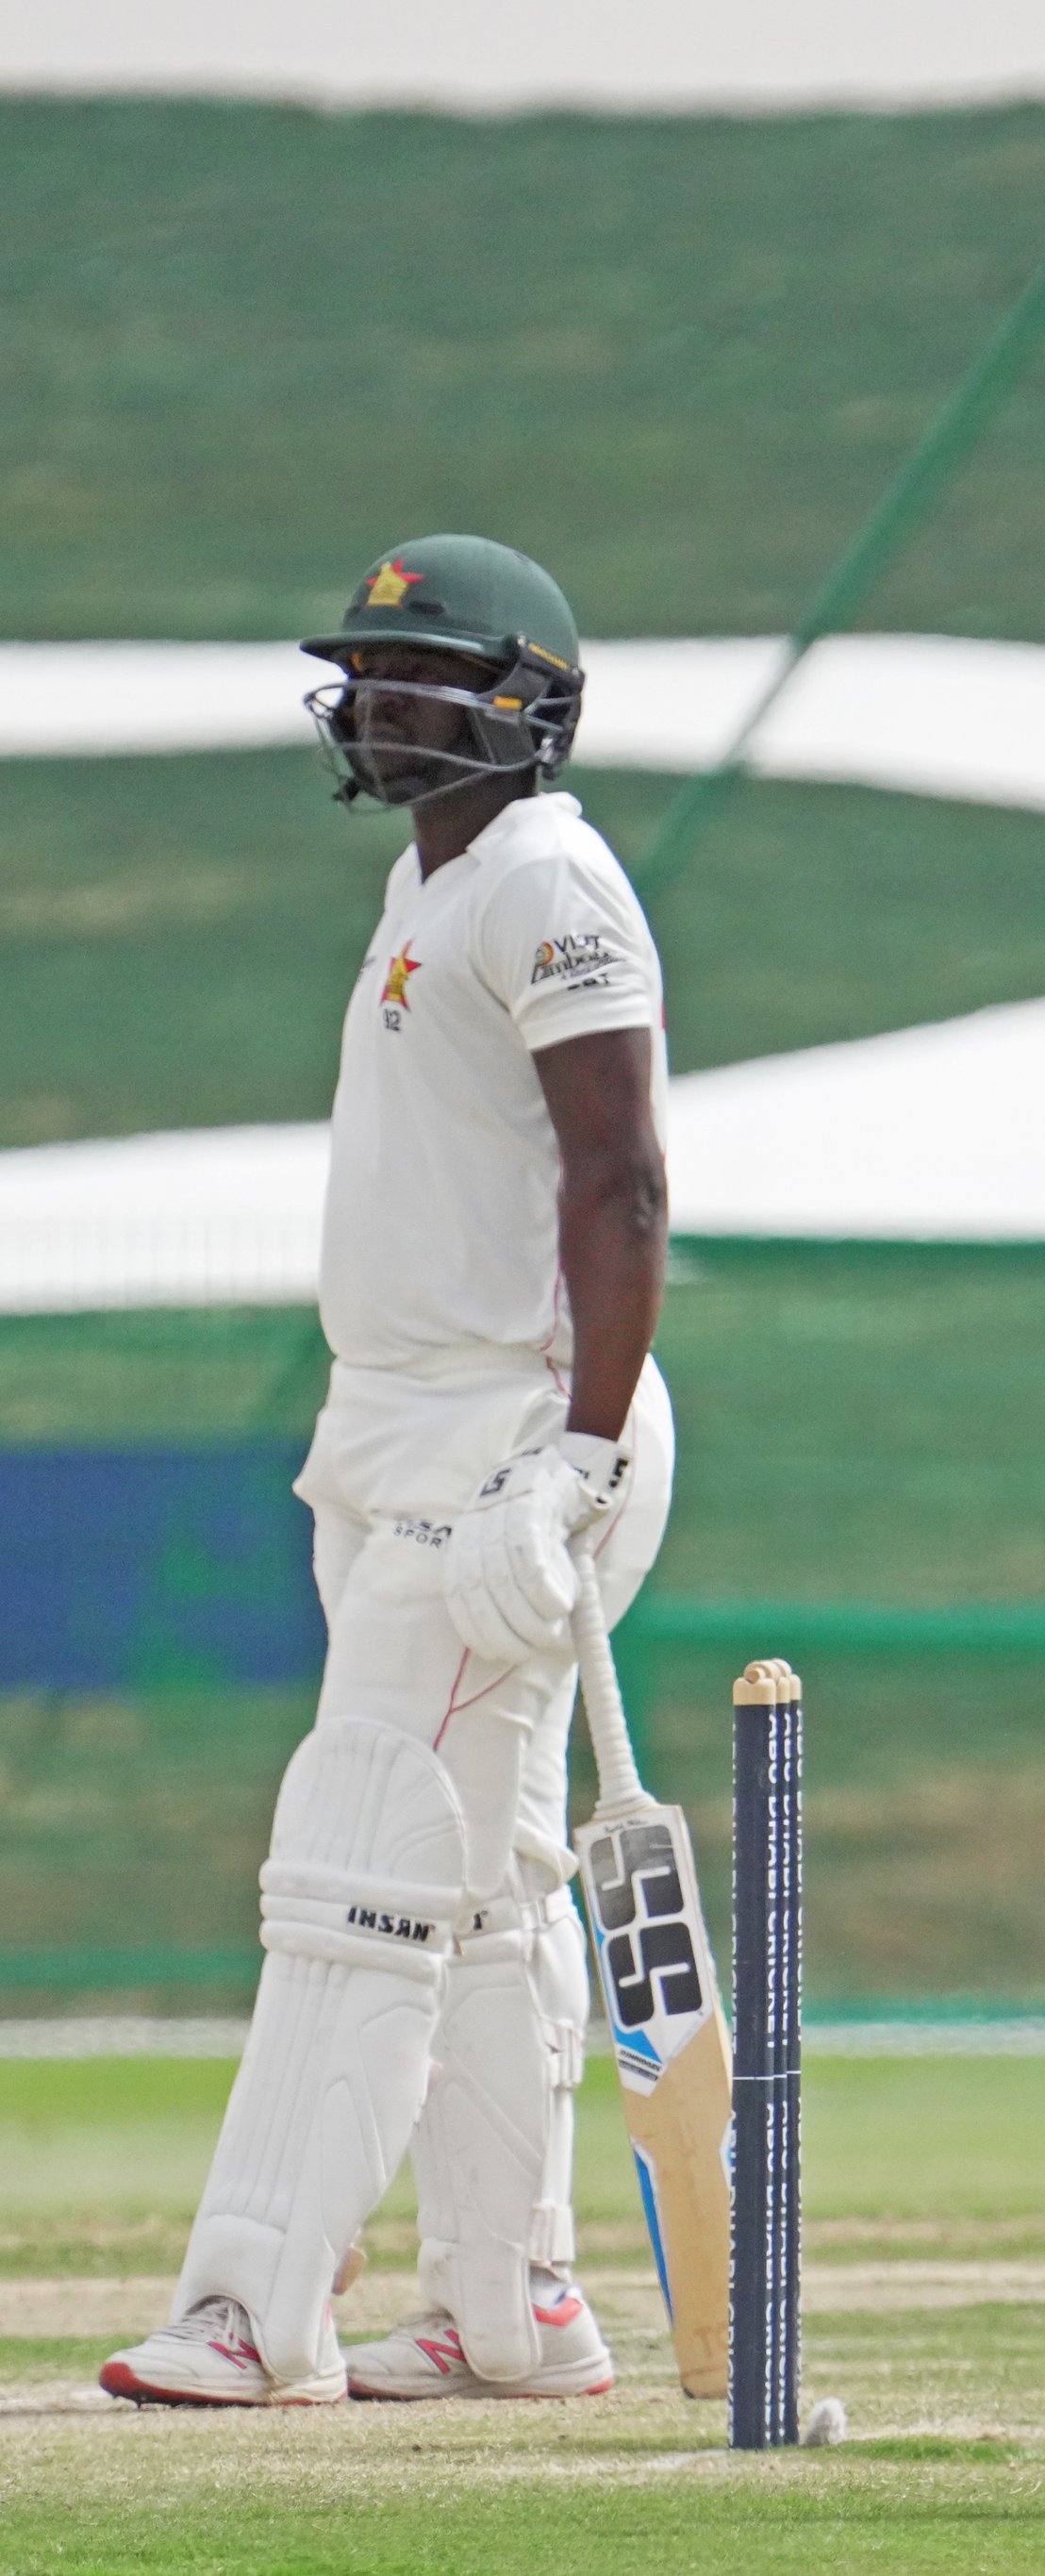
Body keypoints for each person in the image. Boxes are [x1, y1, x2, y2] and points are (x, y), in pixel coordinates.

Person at [100, 536, 674, 2406]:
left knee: (362, 1841)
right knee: (491, 1880)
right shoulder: (426, 871)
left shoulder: (551, 875)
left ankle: (253, 2309)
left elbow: (622, 1180)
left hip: (517, 1434)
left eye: (423, 672)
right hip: (402, 1426)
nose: (381, 702)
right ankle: (515, 2311)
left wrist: (576, 1455)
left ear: (525, 702)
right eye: (365, 670)